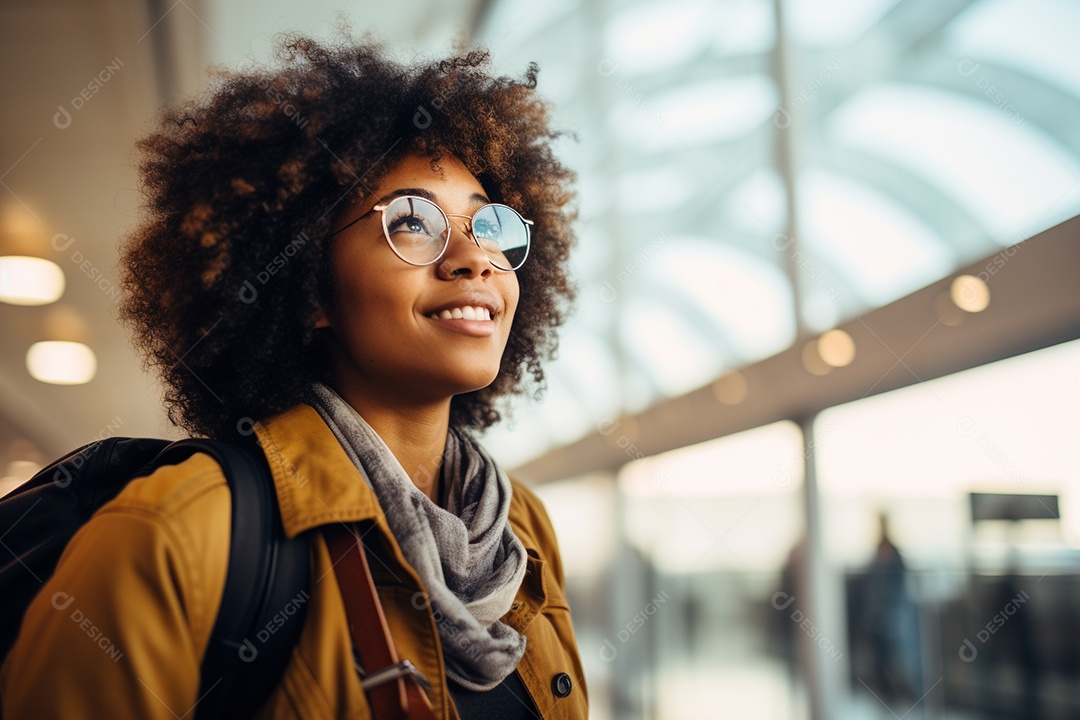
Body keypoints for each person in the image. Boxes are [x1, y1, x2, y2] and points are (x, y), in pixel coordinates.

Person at [0, 33, 586, 719]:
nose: (473, 258)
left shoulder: (521, 527)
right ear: (307, 289)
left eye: (488, 225)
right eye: (412, 222)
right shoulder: (174, 536)